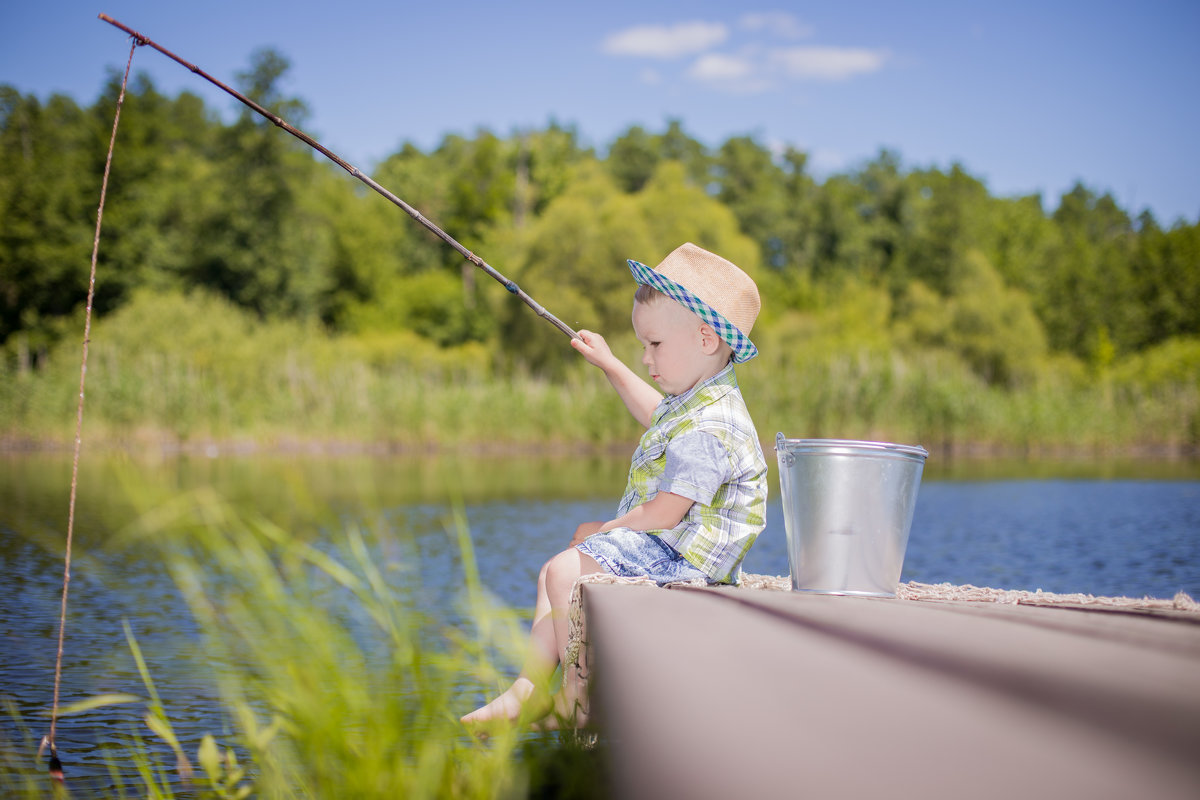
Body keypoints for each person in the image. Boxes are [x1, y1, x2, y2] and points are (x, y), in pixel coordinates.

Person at [461, 242, 767, 729]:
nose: (646, 358)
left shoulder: (713, 426)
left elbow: (666, 514)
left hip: (690, 560)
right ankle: (530, 686)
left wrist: (607, 527)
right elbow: (656, 419)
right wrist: (609, 364)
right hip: (673, 544)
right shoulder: (699, 399)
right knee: (551, 571)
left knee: (566, 571)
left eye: (655, 345)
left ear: (707, 339)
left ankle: (581, 700)